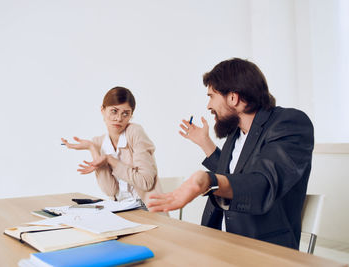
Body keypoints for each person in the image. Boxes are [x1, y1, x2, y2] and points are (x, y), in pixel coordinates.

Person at [148, 58, 314, 249]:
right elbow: (235, 176)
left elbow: (262, 184)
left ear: (233, 98)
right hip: (218, 242)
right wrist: (205, 143)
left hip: (262, 248)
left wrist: (207, 181)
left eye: (211, 96)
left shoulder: (289, 123)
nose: (208, 106)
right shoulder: (236, 133)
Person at [61, 86, 163, 209]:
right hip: (120, 208)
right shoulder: (98, 142)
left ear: (131, 115)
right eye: (114, 111)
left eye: (125, 113)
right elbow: (110, 191)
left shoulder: (135, 132)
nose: (119, 118)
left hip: (146, 209)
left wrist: (110, 159)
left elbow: (145, 182)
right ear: (102, 110)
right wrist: (92, 148)